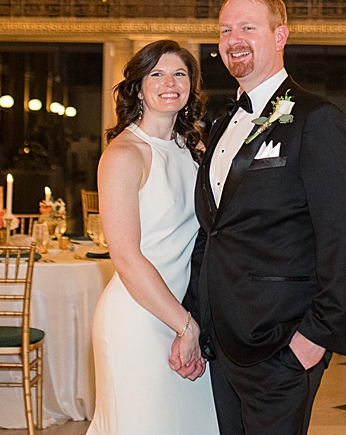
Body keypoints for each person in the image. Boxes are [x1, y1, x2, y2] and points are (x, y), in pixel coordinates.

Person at [185, 0, 346, 435]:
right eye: (226, 29)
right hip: (221, 340)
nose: (234, 39)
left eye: (248, 27)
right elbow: (214, 232)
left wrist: (316, 338)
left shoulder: (316, 118)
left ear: (280, 35)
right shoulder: (222, 121)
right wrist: (194, 318)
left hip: (281, 342)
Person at [88, 39, 216, 435]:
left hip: (184, 311)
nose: (169, 82)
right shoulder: (125, 154)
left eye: (180, 73)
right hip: (140, 321)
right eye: (156, 73)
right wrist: (185, 326)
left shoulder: (191, 149)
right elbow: (125, 257)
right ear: (138, 86)